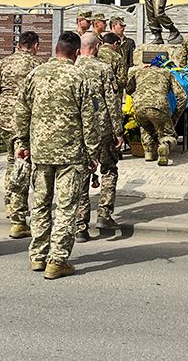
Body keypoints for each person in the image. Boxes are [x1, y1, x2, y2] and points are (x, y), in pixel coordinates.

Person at [12, 32, 101, 279]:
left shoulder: (35, 74)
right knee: (65, 207)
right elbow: (90, 120)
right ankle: (57, 260)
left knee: (39, 204)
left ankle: (38, 256)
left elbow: (21, 111)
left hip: (40, 152)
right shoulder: (80, 77)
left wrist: (22, 142)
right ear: (75, 54)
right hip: (70, 155)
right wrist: (93, 153)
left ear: (55, 49)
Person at [0, 30, 43, 238]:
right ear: (35, 46)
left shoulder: (4, 63)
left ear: (19, 45)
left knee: (12, 162)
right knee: (23, 166)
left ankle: (11, 203)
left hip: (6, 120)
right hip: (27, 121)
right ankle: (18, 217)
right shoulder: (38, 65)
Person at [73, 33, 124, 238]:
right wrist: (119, 131)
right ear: (96, 48)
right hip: (102, 129)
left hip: (80, 131)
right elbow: (113, 102)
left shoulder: (72, 68)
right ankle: (103, 214)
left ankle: (80, 226)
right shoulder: (104, 69)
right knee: (109, 170)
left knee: (81, 175)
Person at [127, 59, 186, 166]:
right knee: (168, 133)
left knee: (146, 127)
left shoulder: (138, 72)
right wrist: (175, 115)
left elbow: (128, 90)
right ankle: (165, 145)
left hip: (139, 106)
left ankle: (148, 153)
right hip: (159, 107)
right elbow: (182, 97)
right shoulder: (167, 73)